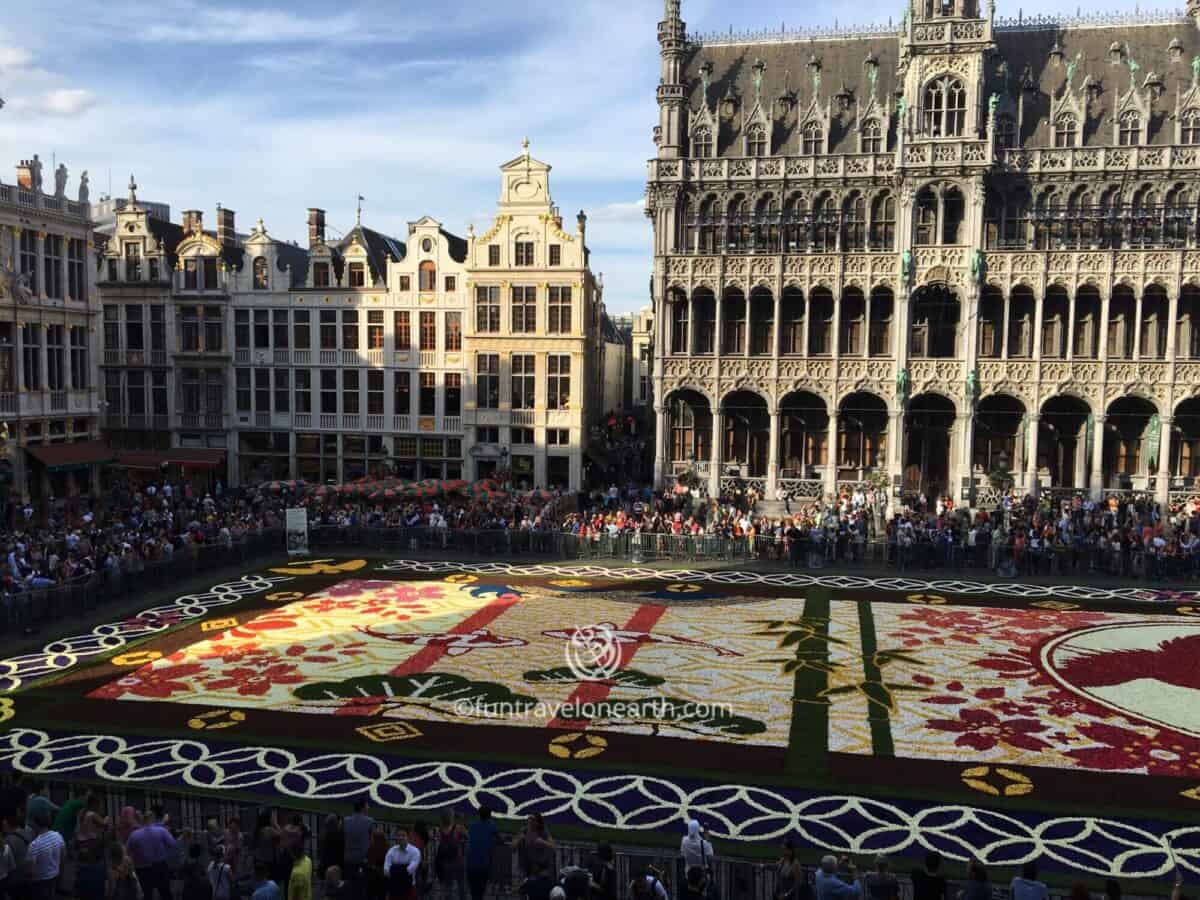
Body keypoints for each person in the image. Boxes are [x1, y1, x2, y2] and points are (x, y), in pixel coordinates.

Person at [127, 807, 176, 900]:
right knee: (165, 893)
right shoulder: (161, 830)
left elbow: (127, 852)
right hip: (160, 867)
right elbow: (172, 844)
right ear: (152, 819)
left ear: (142, 820)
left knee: (147, 895)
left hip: (142, 869)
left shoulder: (134, 835)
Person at [25, 812, 63, 900]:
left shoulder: (34, 845)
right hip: (54, 876)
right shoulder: (58, 836)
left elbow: (31, 872)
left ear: (35, 825)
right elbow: (63, 856)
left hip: (40, 882)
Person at [465, 806, 500, 900]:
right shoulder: (491, 825)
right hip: (483, 863)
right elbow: (499, 838)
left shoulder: (472, 825)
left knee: (474, 890)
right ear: (489, 816)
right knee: (480, 890)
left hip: (470, 862)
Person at [434, 811, 465, 900]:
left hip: (446, 862)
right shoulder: (457, 828)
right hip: (458, 861)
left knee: (448, 886)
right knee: (461, 885)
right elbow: (467, 836)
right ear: (452, 818)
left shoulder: (440, 829)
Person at [342, 800, 373, 887]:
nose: (368, 808)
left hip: (348, 858)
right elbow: (371, 840)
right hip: (363, 859)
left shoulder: (345, 820)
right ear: (362, 808)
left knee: (349, 885)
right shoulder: (369, 821)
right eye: (367, 806)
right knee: (362, 886)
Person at [384, 830, 421, 900]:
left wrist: (393, 868)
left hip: (409, 888)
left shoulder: (415, 851)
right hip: (394, 888)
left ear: (408, 837)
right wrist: (404, 868)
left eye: (403, 835)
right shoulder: (391, 850)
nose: (400, 838)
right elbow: (385, 871)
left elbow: (409, 871)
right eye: (398, 835)